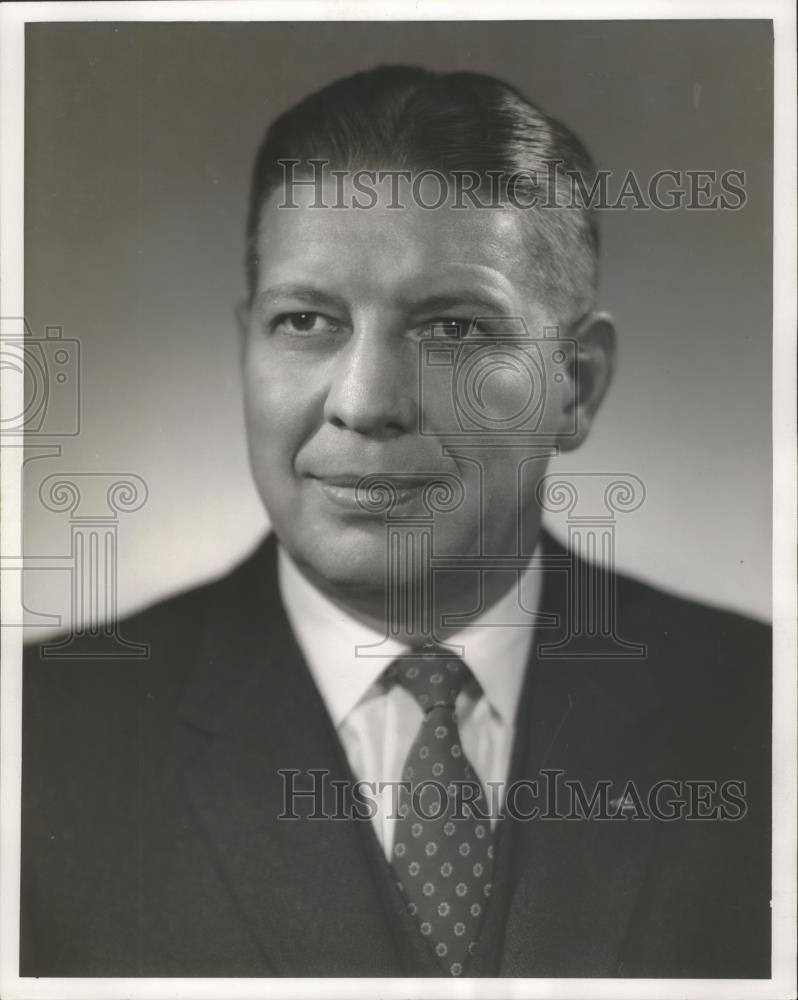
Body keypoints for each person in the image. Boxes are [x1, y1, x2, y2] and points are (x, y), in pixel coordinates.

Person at [21, 66, 771, 979]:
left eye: (452, 331)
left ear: (574, 387)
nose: (367, 403)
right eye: (306, 320)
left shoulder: (768, 716)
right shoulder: (39, 741)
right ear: (246, 347)